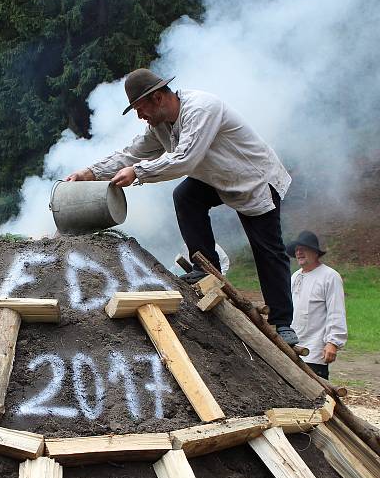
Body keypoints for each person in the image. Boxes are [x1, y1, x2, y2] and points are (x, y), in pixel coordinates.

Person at [66, 68, 298, 345]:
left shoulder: (201, 109)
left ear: (159, 98)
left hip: (254, 179)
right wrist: (89, 173)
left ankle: (283, 324)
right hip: (219, 178)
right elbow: (130, 153)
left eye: (141, 108)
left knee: (267, 249)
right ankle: (207, 267)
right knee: (186, 196)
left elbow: (184, 159)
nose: (141, 117)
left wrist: (138, 172)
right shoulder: (158, 127)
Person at [288, 231, 347, 380]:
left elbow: (336, 311)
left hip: (315, 350)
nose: (299, 252)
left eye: (303, 248)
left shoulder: (330, 276)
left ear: (315, 252)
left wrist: (333, 343)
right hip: (293, 346)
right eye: (297, 249)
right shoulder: (295, 277)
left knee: (317, 397)